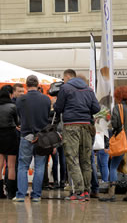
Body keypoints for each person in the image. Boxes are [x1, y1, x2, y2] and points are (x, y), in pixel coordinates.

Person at [53, 69, 100, 201]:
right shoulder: (89, 90)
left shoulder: (65, 88)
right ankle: (86, 191)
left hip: (71, 126)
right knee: (86, 160)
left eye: (64, 78)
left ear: (68, 77)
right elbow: (96, 109)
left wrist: (56, 103)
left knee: (72, 159)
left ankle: (78, 191)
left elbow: (58, 108)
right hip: (86, 126)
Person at [13, 75, 52, 202]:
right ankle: (36, 195)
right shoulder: (46, 99)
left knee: (23, 166)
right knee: (40, 167)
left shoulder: (20, 100)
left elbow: (19, 116)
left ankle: (20, 195)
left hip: (26, 135)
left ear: (26, 85)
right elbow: (47, 116)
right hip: (42, 137)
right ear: (38, 84)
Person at [100, 86, 127, 202]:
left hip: (123, 140)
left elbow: (115, 124)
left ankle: (111, 194)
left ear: (118, 96)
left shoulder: (118, 108)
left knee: (113, 166)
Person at [0, 85, 19, 199]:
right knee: (11, 166)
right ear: (9, 94)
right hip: (11, 135)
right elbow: (17, 122)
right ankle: (11, 192)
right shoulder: (13, 106)